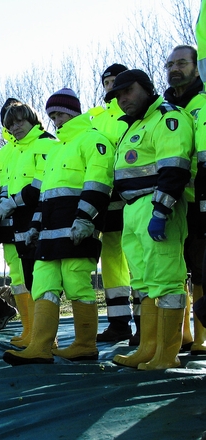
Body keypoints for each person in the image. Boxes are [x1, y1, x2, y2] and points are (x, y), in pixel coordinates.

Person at [3, 88, 114, 366]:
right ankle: (40, 347)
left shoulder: (93, 140)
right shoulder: (56, 149)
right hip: (48, 234)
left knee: (77, 283)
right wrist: (35, 227)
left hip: (77, 229)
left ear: (75, 111)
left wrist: (85, 218)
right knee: (43, 285)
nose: (57, 119)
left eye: (61, 113)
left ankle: (85, 345)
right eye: (52, 115)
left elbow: (99, 183)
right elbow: (46, 196)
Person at [106, 69, 193, 370]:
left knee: (166, 282)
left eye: (127, 91)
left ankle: (168, 353)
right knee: (143, 283)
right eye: (117, 96)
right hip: (133, 211)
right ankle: (148, 347)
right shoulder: (132, 127)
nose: (122, 99)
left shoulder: (167, 118)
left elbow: (175, 168)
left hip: (156, 207)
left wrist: (161, 212)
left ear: (145, 88)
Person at [0, 101, 57, 347]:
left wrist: (13, 201)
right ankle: (33, 334)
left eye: (20, 121)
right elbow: (8, 184)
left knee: (44, 281)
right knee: (28, 279)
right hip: (19, 223)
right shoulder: (14, 152)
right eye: (10, 124)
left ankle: (45, 340)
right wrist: (3, 203)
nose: (15, 127)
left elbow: (41, 185)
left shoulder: (46, 143)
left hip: (41, 220)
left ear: (33, 119)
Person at [163, 45, 206, 355]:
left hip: (198, 202)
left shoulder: (202, 104)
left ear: (196, 67)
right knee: (177, 270)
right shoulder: (165, 111)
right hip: (173, 203)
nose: (174, 69)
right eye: (169, 64)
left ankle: (202, 339)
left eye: (181, 63)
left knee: (202, 270)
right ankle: (183, 335)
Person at [89, 64, 136, 344]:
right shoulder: (95, 117)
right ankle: (119, 323)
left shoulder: (135, 112)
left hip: (133, 195)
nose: (110, 86)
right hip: (106, 199)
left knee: (138, 259)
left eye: (115, 81)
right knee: (112, 263)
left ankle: (146, 326)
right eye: (106, 82)